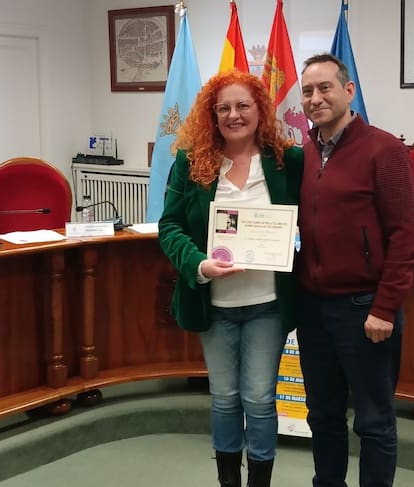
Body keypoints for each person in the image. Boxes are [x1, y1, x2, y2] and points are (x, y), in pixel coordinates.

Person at [157, 69, 303, 487]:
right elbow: (170, 227)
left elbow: (314, 217)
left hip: (267, 305)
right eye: (223, 108)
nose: (233, 115)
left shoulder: (287, 161)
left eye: (243, 106)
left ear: (260, 110)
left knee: (258, 399)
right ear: (212, 114)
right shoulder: (191, 162)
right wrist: (198, 264)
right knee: (223, 399)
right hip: (215, 304)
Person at [297, 53, 414, 487]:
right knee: (323, 415)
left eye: (325, 88)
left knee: (374, 421)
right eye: (307, 91)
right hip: (313, 310)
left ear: (349, 91)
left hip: (366, 309)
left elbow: (407, 236)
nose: (315, 99)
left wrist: (385, 308)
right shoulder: (304, 154)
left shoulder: (384, 149)